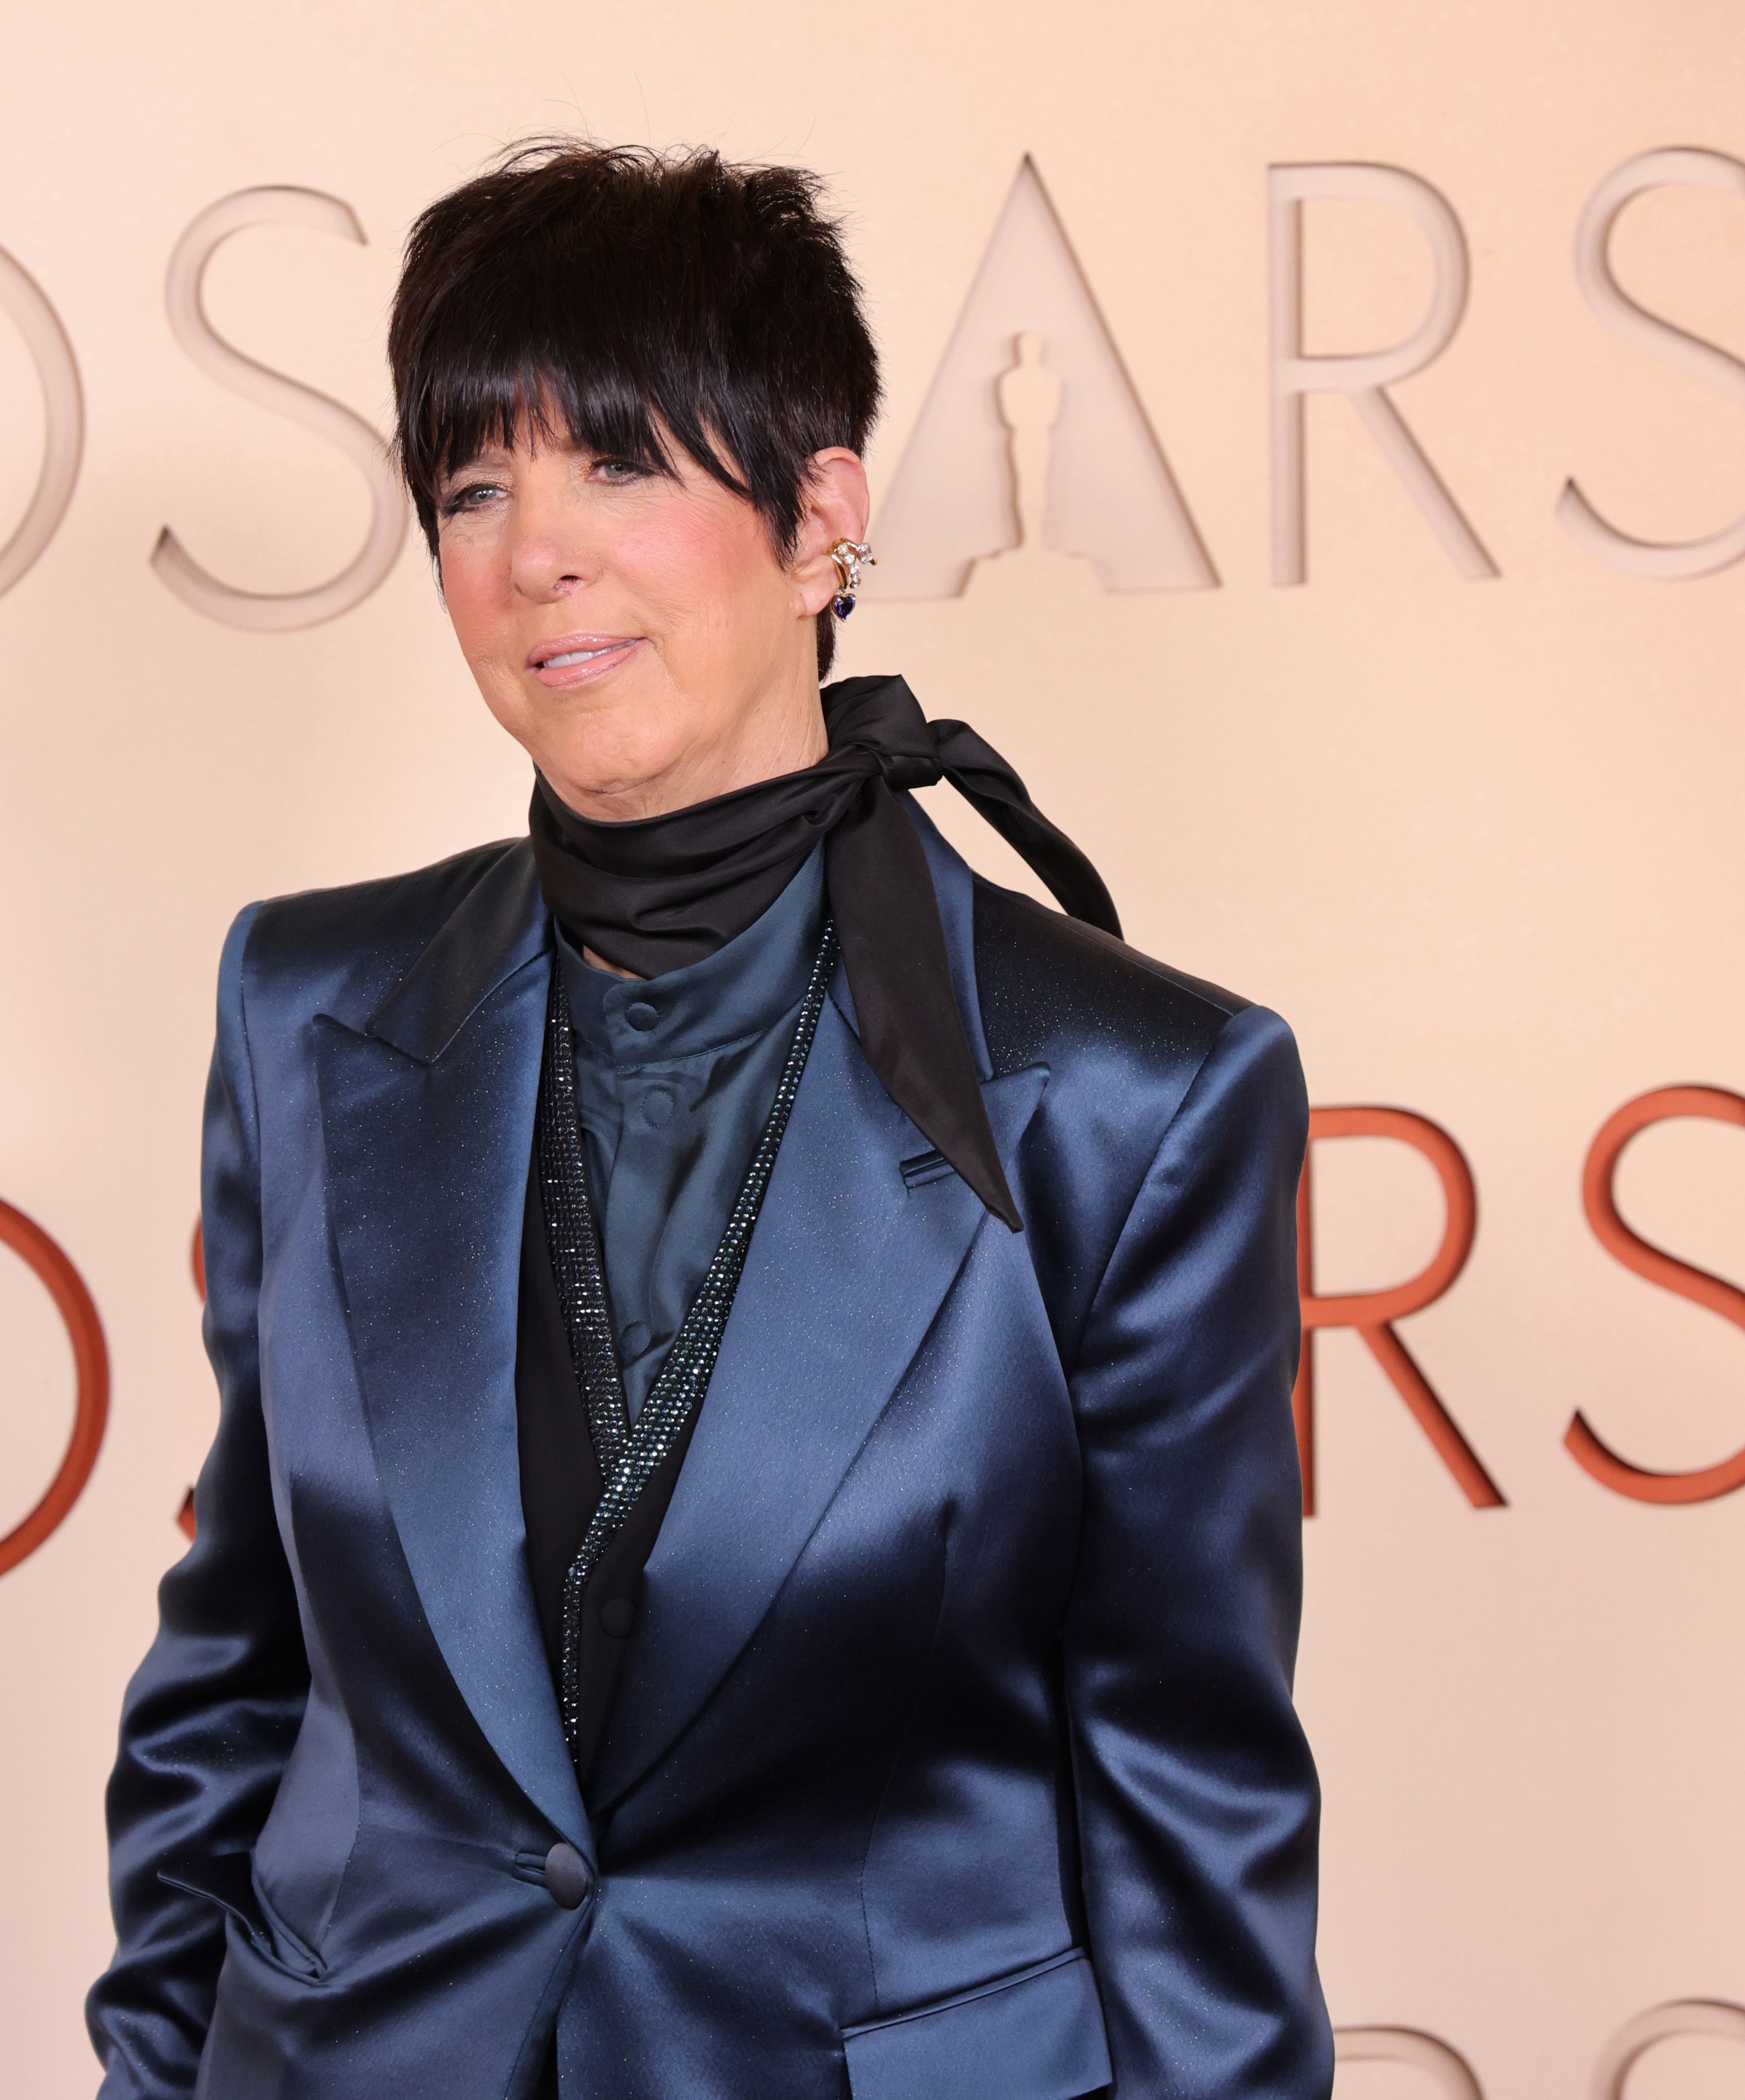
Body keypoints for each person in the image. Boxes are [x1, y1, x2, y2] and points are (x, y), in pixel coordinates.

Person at [87, 141, 1329, 2100]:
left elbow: (1190, 1794)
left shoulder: (1136, 1094)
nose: (535, 555)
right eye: (472, 489)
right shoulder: (308, 1007)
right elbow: (244, 1662)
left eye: (617, 464)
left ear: (820, 513)